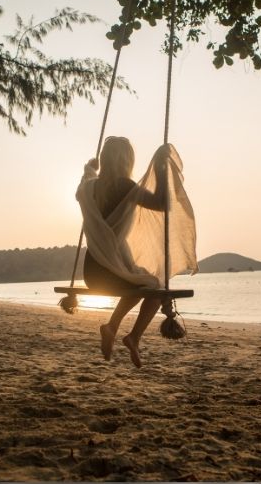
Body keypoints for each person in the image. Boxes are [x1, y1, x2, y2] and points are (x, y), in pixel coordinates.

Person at [78, 136, 169, 368]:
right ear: (127, 160)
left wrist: (89, 168)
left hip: (91, 272)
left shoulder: (89, 188)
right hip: (110, 270)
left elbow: (83, 183)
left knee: (141, 282)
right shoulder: (125, 186)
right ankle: (133, 337)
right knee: (153, 287)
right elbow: (162, 203)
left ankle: (112, 328)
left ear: (105, 160)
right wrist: (159, 166)